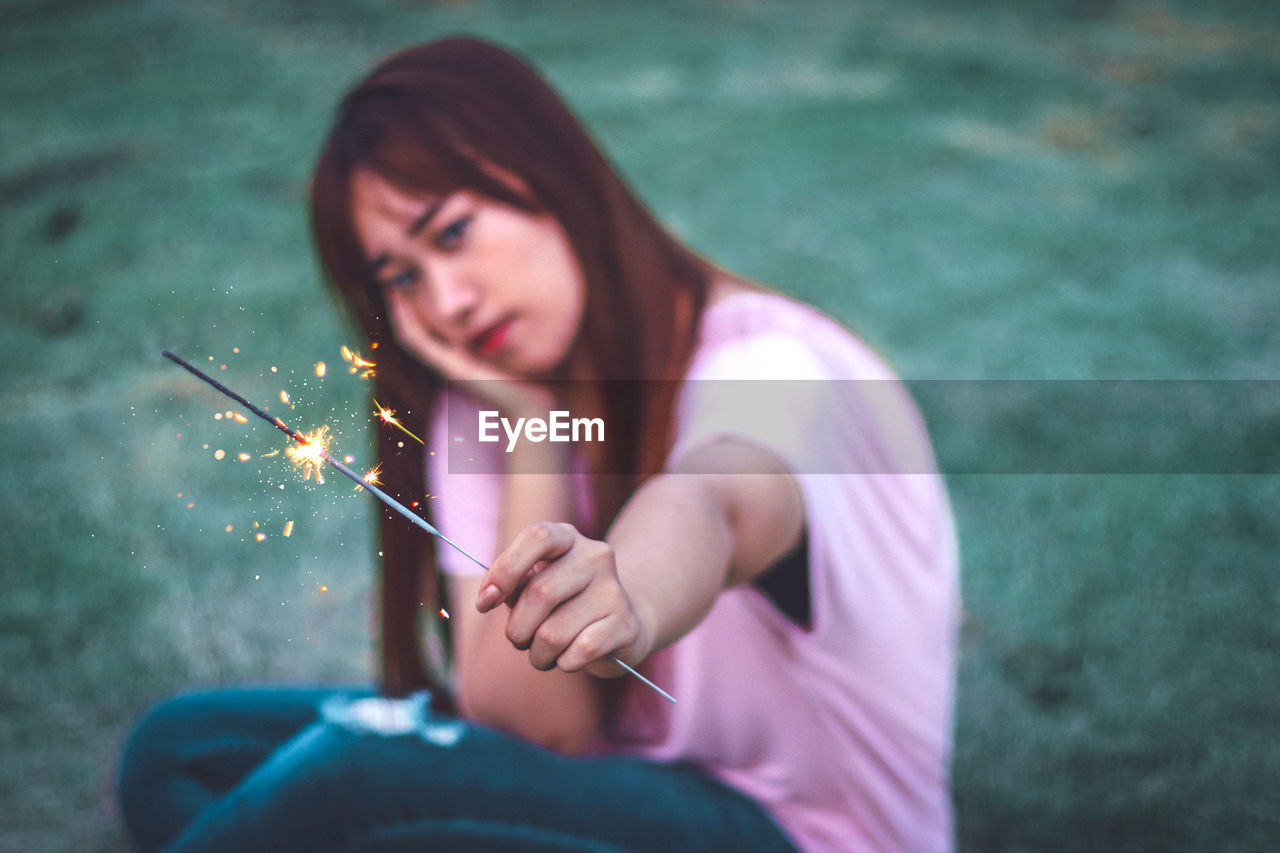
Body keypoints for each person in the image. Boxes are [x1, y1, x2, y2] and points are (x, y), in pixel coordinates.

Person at [117, 37, 959, 852]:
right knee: (177, 751)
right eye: (401, 277)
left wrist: (627, 589)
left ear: (551, 178)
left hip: (792, 828)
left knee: (356, 780)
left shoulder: (776, 367)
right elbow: (529, 720)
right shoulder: (492, 398)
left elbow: (719, 499)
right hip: (613, 774)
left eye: (451, 233)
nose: (446, 298)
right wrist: (533, 434)